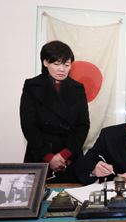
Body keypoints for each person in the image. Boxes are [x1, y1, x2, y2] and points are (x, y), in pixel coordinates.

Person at [20, 40, 90, 183]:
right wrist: (49, 157)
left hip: (70, 156)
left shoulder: (78, 88)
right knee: (37, 201)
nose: (62, 69)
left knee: (73, 201)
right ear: (46, 63)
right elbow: (29, 125)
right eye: (56, 64)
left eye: (66, 65)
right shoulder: (32, 86)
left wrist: (65, 154)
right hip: (40, 155)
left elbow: (83, 125)